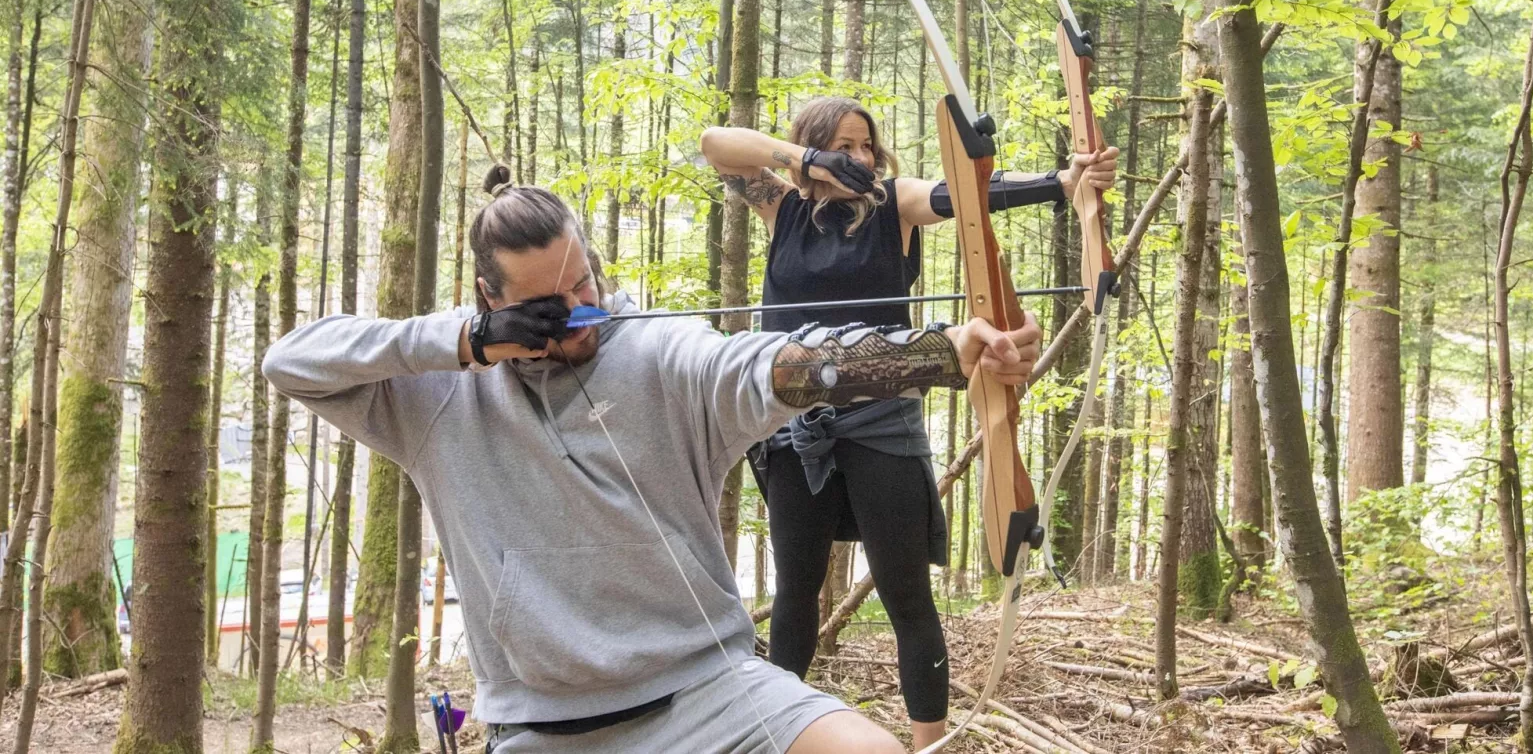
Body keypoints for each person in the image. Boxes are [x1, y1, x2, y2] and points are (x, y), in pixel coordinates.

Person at [260, 167, 1042, 754]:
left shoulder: (662, 354)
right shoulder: (432, 396)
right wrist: (462, 342)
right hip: (539, 726)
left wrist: (937, 354)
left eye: (583, 283)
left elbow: (772, 364)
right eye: (546, 306)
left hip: (712, 695)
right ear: (488, 300)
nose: (578, 315)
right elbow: (290, 363)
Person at [699, 96, 1117, 749]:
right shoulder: (781, 208)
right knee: (795, 597)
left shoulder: (894, 204)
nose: (860, 157)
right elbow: (716, 144)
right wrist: (804, 162)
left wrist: (1063, 183)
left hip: (880, 424)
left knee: (907, 599)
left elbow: (969, 195)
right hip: (794, 431)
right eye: (843, 145)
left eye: (866, 145)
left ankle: (929, 744)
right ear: (813, 149)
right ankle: (774, 738)